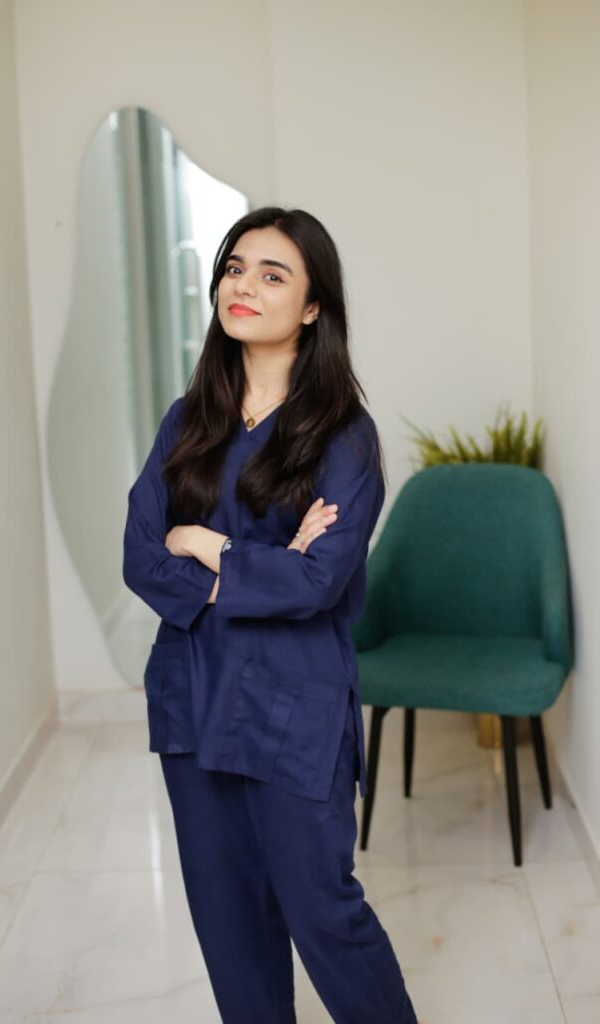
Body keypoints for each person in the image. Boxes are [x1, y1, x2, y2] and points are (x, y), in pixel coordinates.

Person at [122, 207, 420, 1023]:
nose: (242, 287)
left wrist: (207, 547)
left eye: (271, 274)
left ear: (314, 307)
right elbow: (141, 556)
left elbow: (318, 583)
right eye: (234, 267)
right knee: (230, 928)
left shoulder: (343, 440)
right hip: (193, 699)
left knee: (326, 916)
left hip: (294, 705)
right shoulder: (186, 424)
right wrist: (262, 563)